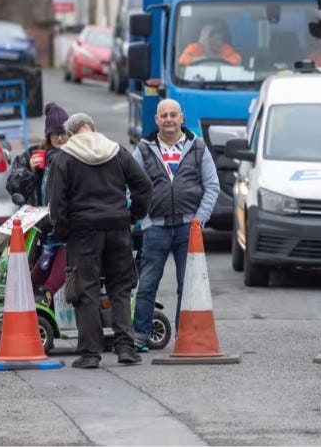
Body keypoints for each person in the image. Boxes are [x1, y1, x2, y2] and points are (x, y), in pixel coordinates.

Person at [48, 113, 152, 369]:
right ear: (93, 129)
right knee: (120, 287)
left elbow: (57, 203)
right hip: (118, 228)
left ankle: (90, 353)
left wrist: (62, 233)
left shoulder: (65, 157)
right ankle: (126, 348)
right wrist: (133, 215)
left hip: (83, 233)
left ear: (71, 134)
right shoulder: (115, 151)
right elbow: (144, 185)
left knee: (87, 290)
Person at [131, 99, 219, 352]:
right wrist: (144, 220)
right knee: (147, 285)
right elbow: (130, 186)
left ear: (182, 118)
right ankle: (140, 336)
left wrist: (198, 220)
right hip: (155, 228)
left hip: (187, 229)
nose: (168, 119)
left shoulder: (198, 148)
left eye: (173, 115)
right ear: (156, 120)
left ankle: (185, 334)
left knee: (188, 285)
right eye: (163, 115)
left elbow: (212, 186)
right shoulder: (144, 150)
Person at [5, 102, 70, 306]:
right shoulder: (34, 154)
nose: (60, 137)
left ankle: (46, 295)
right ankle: (24, 295)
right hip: (41, 229)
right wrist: (30, 171)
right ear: (48, 135)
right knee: (43, 261)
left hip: (68, 226)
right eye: (55, 133)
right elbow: (13, 185)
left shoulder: (76, 154)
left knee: (66, 251)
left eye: (64, 133)